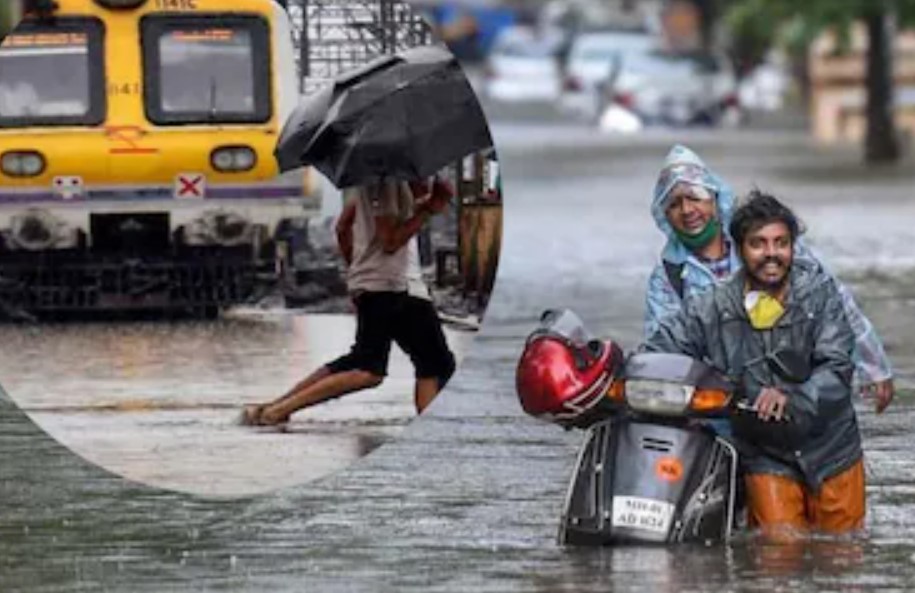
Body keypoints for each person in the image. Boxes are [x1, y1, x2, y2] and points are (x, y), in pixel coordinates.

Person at [644, 191, 865, 538]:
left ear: (793, 246)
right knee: (777, 558)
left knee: (842, 557)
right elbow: (658, 349)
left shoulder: (819, 294)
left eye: (781, 243)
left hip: (832, 448)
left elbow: (838, 368)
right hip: (764, 452)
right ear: (739, 248)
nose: (772, 254)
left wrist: (792, 396)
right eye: (758, 244)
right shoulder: (713, 306)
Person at [645, 144, 894, 413]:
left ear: (715, 199)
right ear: (665, 215)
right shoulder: (667, 278)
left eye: (695, 197)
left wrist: (875, 368)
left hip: (796, 390)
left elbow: (835, 304)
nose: (687, 210)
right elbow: (663, 346)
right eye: (674, 204)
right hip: (721, 403)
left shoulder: (769, 244)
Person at [241, 177, 456, 426]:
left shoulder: (372, 183)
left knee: (365, 361)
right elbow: (390, 241)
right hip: (395, 285)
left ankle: (275, 406)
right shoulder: (388, 182)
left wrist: (356, 275)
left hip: (379, 284)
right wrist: (429, 209)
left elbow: (343, 227)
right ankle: (277, 411)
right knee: (386, 369)